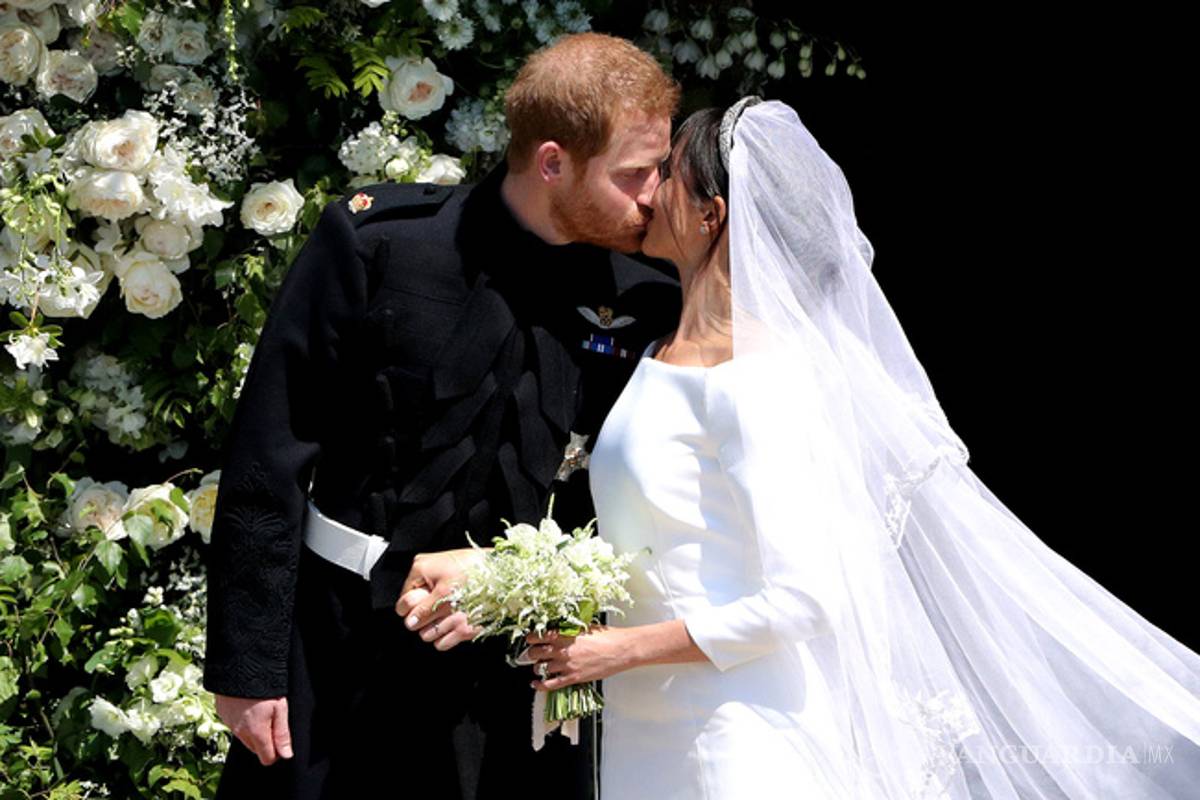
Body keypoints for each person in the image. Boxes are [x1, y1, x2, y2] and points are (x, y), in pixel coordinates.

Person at [520, 98, 1200, 798]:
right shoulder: (660, 352)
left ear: (710, 216)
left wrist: (623, 648)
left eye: (667, 175)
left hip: (734, 737)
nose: (648, 190)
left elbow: (805, 598)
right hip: (646, 730)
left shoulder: (755, 376)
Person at [202, 32, 681, 799]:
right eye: (633, 174)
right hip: (343, 652)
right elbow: (270, 453)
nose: (655, 193)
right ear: (552, 162)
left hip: (526, 685)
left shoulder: (647, 295)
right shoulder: (381, 246)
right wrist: (246, 667)